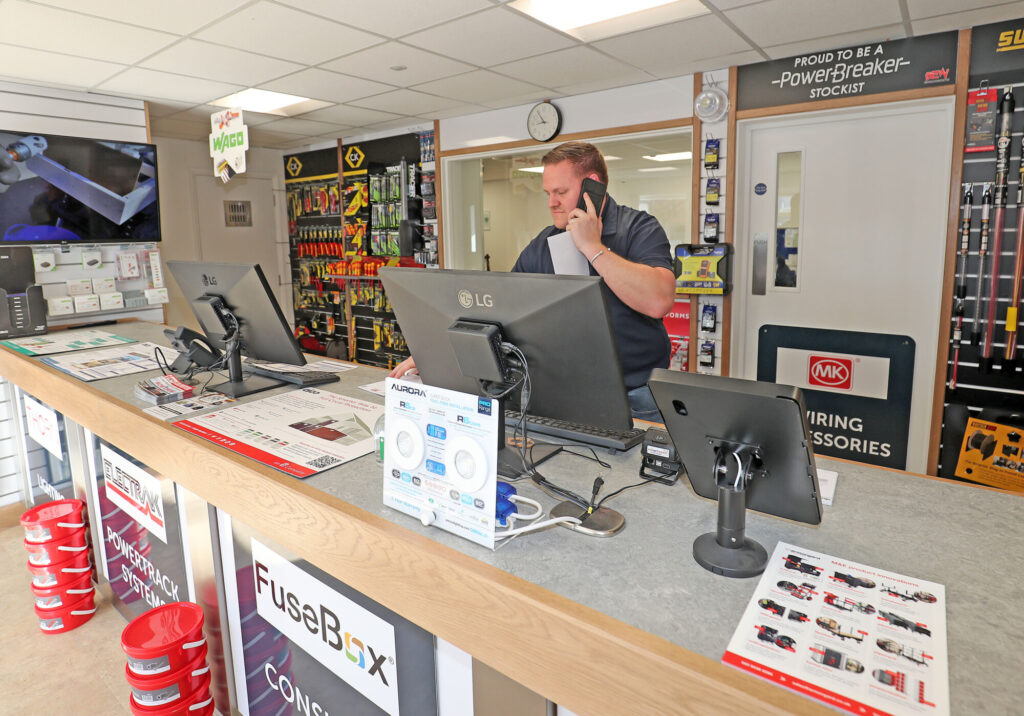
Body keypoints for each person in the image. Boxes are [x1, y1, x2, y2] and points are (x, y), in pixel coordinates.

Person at [390, 141, 676, 420]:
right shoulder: (543, 244)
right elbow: (500, 315)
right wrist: (438, 354)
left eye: (561, 192)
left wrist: (592, 247)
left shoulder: (639, 228)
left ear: (593, 185)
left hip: (638, 397)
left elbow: (658, 300)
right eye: (548, 193)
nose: (552, 203)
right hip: (565, 395)